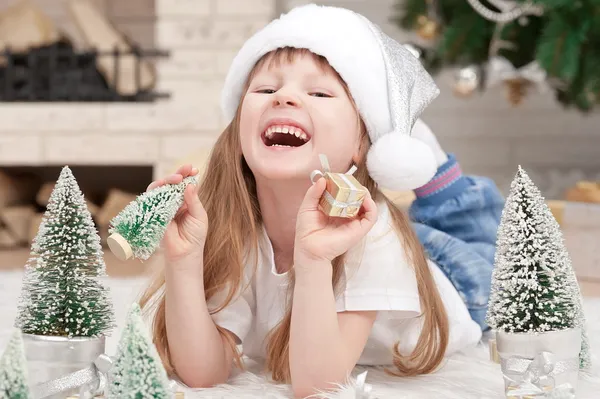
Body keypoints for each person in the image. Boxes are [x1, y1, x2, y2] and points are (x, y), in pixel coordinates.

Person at [139, 4, 504, 397]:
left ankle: (427, 160)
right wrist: (183, 262)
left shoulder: (375, 236)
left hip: (458, 289)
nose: (284, 98)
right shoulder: (231, 227)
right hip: (382, 244)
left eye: (318, 92)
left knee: (473, 237)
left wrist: (312, 262)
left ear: (360, 145)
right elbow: (203, 374)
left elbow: (317, 386)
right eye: (266, 89)